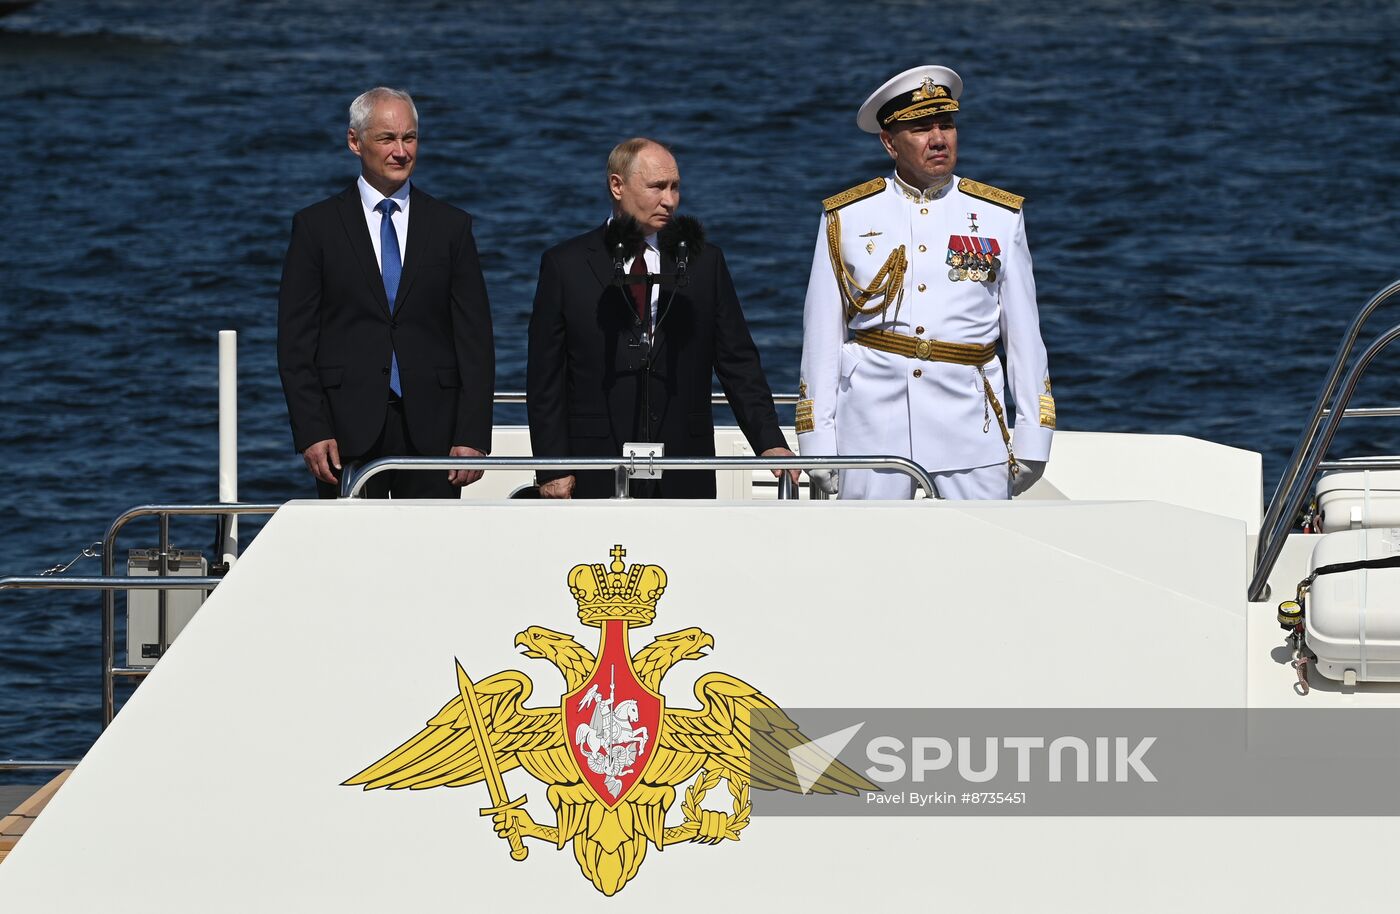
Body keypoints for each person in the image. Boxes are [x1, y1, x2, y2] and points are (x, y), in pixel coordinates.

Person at [796, 65, 1054, 501]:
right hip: (872, 430)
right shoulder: (847, 216)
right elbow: (822, 336)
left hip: (971, 430)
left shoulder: (999, 215)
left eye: (946, 125)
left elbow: (1025, 336)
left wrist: (1033, 434)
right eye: (920, 128)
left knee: (980, 558)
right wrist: (818, 440)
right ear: (889, 142)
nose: (939, 139)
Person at [526, 138, 794, 499]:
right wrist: (553, 467)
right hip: (594, 463)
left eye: (675, 187)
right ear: (617, 186)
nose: (670, 200)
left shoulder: (704, 263)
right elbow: (545, 377)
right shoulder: (565, 265)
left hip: (685, 460)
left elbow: (737, 362)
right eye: (657, 187)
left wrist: (769, 443)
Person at [277, 87, 494, 498]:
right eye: (387, 139)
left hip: (436, 432)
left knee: (431, 555)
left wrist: (473, 433)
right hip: (344, 433)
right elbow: (295, 344)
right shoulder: (316, 228)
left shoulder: (451, 227)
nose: (401, 151)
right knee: (353, 558)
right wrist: (311, 430)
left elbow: (475, 339)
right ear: (355, 142)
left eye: (409, 138)